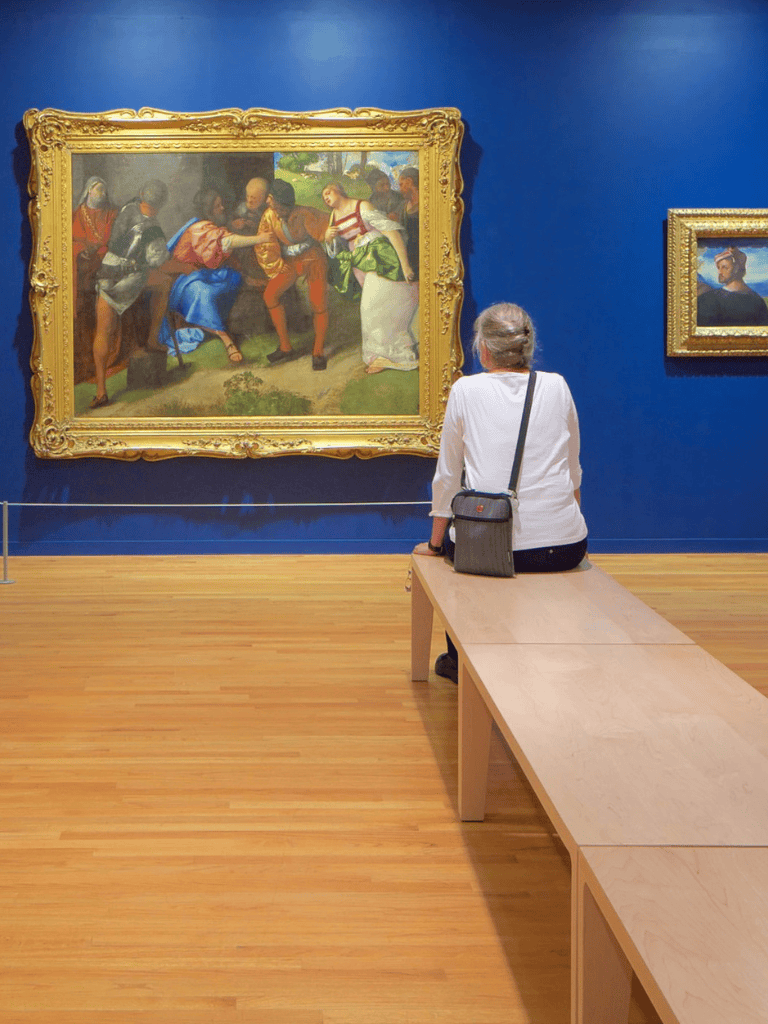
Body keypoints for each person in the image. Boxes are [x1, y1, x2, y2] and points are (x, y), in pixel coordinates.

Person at [414, 303, 588, 682]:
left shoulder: (465, 389)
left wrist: (435, 544)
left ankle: (460, 661)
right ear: (528, 346)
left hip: (485, 547)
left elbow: (447, 476)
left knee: (456, 557)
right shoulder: (557, 385)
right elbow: (572, 468)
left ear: (484, 349)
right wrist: (571, 526)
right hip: (563, 549)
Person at [158, 188, 270, 362]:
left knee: (232, 277)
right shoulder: (198, 228)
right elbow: (226, 242)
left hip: (205, 273)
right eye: (218, 206)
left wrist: (245, 276)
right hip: (186, 278)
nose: (223, 208)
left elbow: (221, 254)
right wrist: (260, 239)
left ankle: (214, 321)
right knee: (204, 293)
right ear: (208, 210)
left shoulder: (210, 226)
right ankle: (226, 339)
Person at [322, 182, 419, 374]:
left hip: (378, 255)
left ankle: (396, 356)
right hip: (359, 261)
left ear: (339, 191)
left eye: (328, 192)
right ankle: (381, 356)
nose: (326, 197)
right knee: (373, 308)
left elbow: (390, 231)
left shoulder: (362, 206)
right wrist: (327, 238)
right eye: (323, 195)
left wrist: (405, 264)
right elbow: (336, 250)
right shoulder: (334, 216)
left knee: (373, 307)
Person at [90, 179, 171, 408]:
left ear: (141, 195)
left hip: (106, 273)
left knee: (103, 331)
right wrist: (164, 256)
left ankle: (101, 391)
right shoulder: (154, 229)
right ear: (160, 204)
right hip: (129, 279)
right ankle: (153, 339)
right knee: (164, 283)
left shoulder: (128, 208)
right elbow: (156, 260)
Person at [255, 180, 331, 371]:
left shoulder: (305, 213)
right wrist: (275, 263)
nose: (284, 212)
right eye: (280, 207)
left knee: (318, 303)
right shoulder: (268, 216)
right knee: (270, 295)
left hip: (313, 258)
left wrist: (328, 234)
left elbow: (328, 226)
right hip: (289, 262)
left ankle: (318, 352)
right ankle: (285, 347)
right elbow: (265, 243)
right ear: (270, 200)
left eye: (286, 208)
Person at [72, 176, 118, 384]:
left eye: (104, 190)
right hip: (84, 270)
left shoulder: (112, 213)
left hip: (107, 264)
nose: (102, 194)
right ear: (89, 191)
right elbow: (70, 241)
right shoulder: (77, 214)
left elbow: (115, 239)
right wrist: (83, 250)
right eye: (98, 190)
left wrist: (101, 251)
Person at [697, 246, 768, 326]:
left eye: (724, 267)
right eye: (718, 267)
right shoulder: (707, 299)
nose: (720, 272)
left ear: (736, 268)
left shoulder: (757, 302)